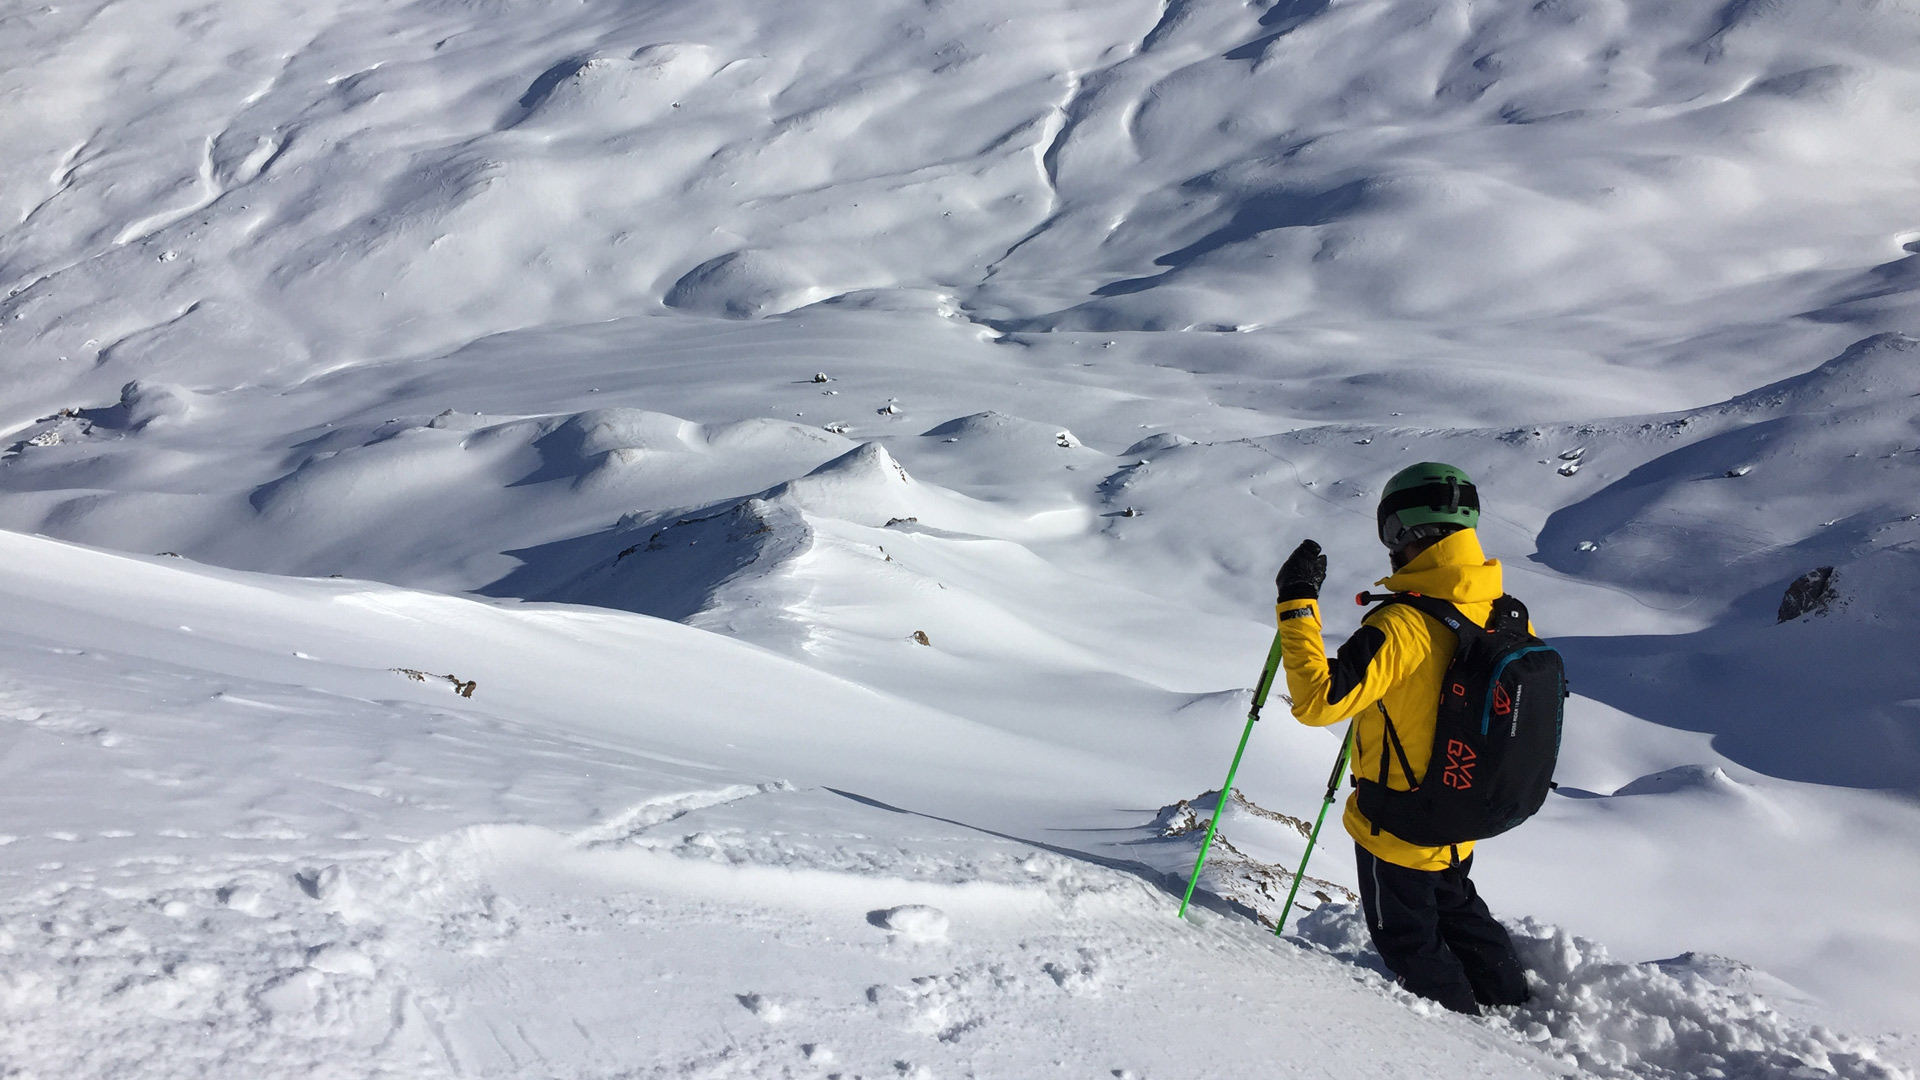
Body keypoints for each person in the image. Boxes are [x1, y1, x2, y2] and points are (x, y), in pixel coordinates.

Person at [1272, 461, 1529, 1015]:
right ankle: (1514, 1001)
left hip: (1400, 821)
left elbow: (1319, 702)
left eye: (1390, 533)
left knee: (1408, 941)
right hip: (1465, 807)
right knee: (1458, 905)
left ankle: (1462, 1042)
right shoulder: (1503, 613)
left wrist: (1296, 603)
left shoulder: (1404, 624)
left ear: (1406, 532)